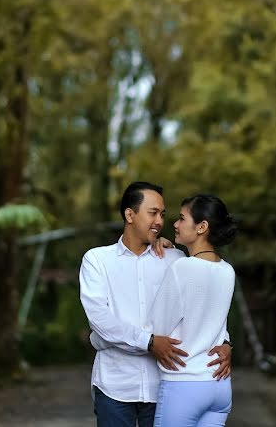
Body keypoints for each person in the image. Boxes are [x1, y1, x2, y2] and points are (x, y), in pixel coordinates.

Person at [80, 182, 232, 427]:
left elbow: (202, 307)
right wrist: (148, 342)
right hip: (115, 385)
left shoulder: (176, 258)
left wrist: (224, 341)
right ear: (130, 214)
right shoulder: (97, 260)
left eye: (163, 214)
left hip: (164, 385)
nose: (160, 221)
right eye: (153, 213)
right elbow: (100, 319)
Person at [150, 194, 238, 427]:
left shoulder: (182, 268)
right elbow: (217, 323)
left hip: (184, 385)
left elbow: (158, 329)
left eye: (181, 219)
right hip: (219, 385)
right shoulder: (227, 270)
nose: (175, 225)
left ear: (202, 227)